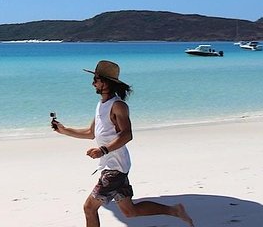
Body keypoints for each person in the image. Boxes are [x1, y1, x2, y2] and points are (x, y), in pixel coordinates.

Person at [51, 60, 194, 227]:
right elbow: (90, 133)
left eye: (96, 79)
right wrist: (63, 130)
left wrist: (103, 150)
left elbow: (127, 135)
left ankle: (174, 211)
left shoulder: (118, 106)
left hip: (114, 168)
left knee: (89, 208)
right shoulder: (101, 105)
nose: (93, 83)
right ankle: (174, 210)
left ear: (105, 82)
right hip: (114, 166)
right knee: (130, 211)